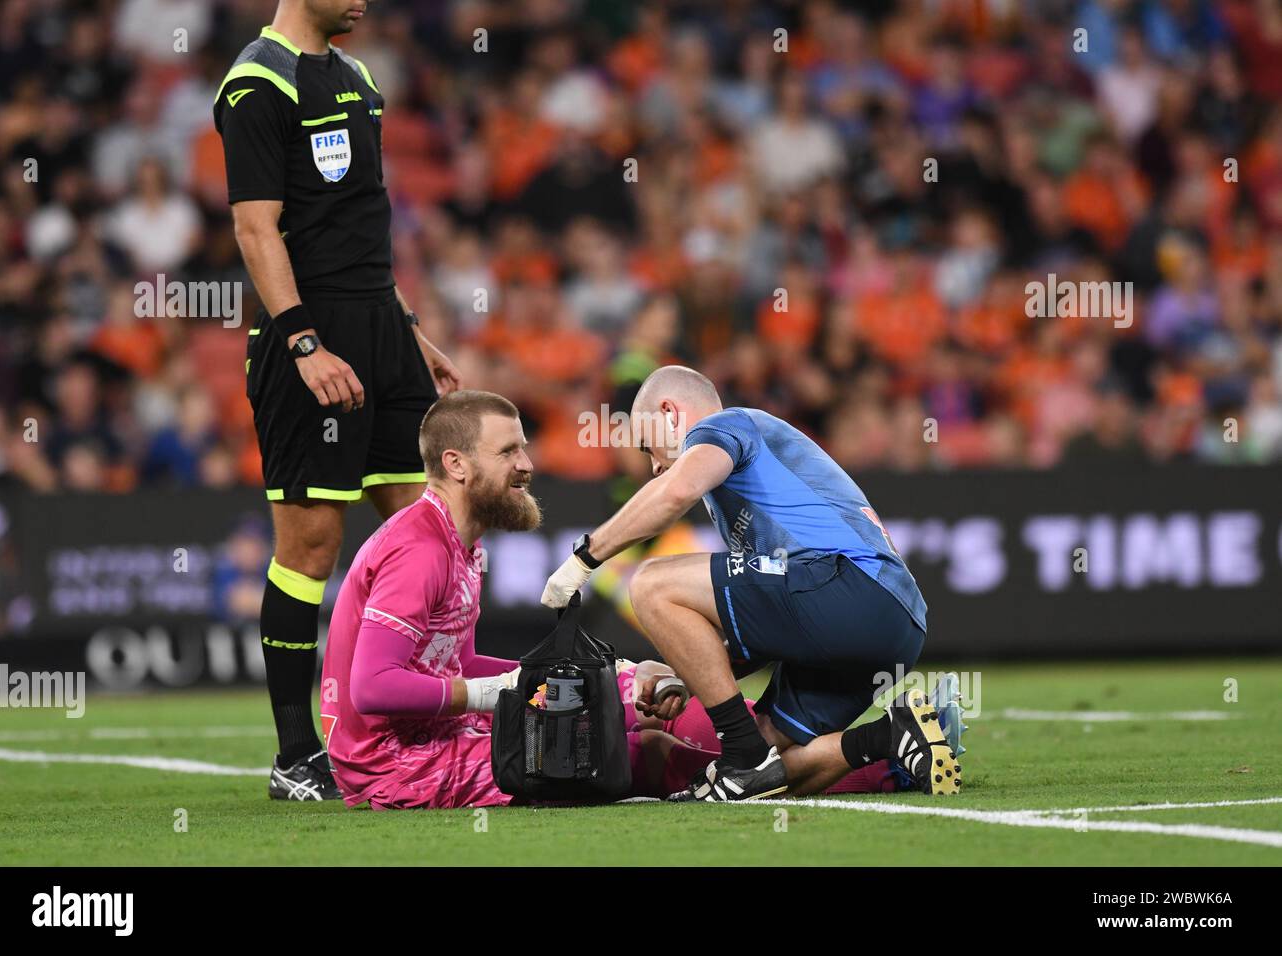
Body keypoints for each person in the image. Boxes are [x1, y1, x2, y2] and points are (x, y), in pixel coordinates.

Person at [213, 1, 463, 799]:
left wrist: (408, 329)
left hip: (383, 330)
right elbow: (258, 229)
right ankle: (296, 754)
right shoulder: (257, 83)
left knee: (429, 530)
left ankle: (428, 720)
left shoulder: (356, 78)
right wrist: (304, 341)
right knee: (312, 549)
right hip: (309, 337)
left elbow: (362, 230)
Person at [541, 365, 959, 801]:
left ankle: (744, 756)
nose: (653, 466)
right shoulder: (748, 491)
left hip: (850, 584)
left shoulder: (726, 425)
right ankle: (889, 736)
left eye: (648, 446)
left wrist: (585, 557)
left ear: (668, 411)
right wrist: (689, 676)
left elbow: (674, 493)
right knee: (766, 760)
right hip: (895, 624)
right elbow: (769, 626)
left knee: (650, 583)